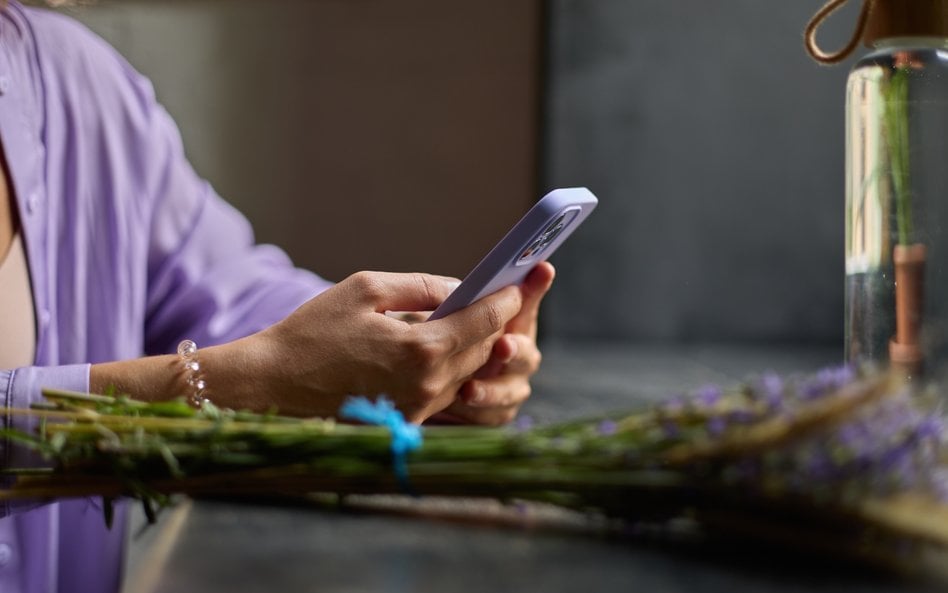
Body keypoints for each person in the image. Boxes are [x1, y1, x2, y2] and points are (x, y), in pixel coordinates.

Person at [0, 2, 554, 592]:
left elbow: (220, 287)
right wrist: (230, 385)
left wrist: (407, 349)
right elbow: (251, 368)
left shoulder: (68, 75)